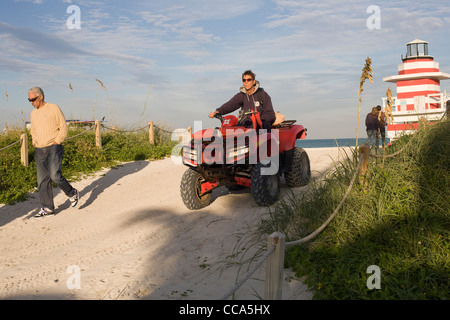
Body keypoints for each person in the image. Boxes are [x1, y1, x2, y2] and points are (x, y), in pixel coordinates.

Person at [28, 87, 79, 219]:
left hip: (54, 147)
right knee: (42, 180)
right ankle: (48, 208)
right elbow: (33, 129)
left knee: (55, 176)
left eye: (33, 99)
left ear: (41, 97)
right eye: (29, 100)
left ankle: (72, 193)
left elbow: (63, 126)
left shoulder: (53, 108)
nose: (31, 102)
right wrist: (34, 141)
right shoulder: (33, 113)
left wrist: (57, 141)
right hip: (39, 149)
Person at [209, 70, 275, 131]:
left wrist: (260, 121)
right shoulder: (242, 95)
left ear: (253, 81)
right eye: (244, 80)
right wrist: (218, 111)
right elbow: (230, 105)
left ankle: (267, 142)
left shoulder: (262, 94)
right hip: (245, 126)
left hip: (260, 126)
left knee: (266, 125)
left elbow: (269, 113)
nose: (246, 82)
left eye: (249, 80)